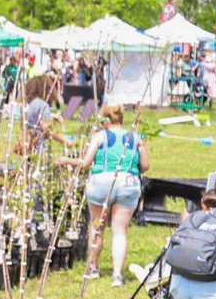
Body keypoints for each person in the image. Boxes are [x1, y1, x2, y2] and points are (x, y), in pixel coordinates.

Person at [57, 103, 148, 286]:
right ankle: (117, 275)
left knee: (96, 227)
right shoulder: (135, 138)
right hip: (128, 183)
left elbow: (85, 162)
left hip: (101, 183)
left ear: (106, 120)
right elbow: (145, 166)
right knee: (119, 231)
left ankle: (93, 268)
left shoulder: (100, 136)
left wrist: (66, 160)